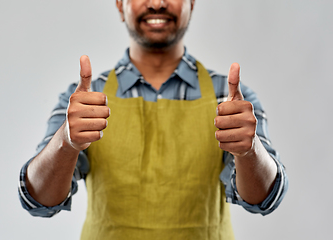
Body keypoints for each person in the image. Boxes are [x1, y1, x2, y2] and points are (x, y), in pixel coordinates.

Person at [18, 0, 288, 239]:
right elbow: (39, 201)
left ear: (192, 3)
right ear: (119, 4)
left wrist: (249, 150)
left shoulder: (231, 100)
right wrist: (66, 141)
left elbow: (264, 199)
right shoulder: (84, 100)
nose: (157, 3)